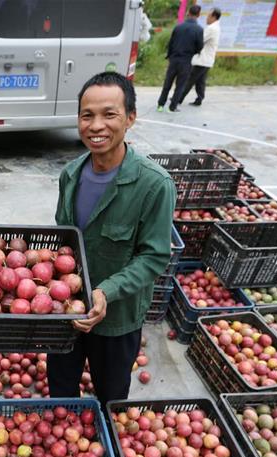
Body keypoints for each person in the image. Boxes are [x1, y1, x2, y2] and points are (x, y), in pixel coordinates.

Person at [49, 72, 175, 403]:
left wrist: (107, 291)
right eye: (87, 115)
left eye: (109, 114)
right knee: (61, 388)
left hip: (117, 319)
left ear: (130, 118)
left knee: (111, 396)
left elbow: (154, 256)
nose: (96, 125)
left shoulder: (154, 184)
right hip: (67, 310)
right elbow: (65, 238)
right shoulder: (71, 175)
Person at [157, 4, 203, 112]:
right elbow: (200, 47)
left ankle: (160, 105)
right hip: (186, 60)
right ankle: (172, 107)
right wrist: (193, 52)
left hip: (174, 59)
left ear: (188, 13)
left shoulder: (178, 27)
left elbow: (171, 43)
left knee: (167, 83)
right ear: (198, 15)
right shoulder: (199, 30)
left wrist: (169, 56)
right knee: (180, 85)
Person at [183, 7, 221, 106]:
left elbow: (200, 39)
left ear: (214, 17)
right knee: (200, 81)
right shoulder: (215, 27)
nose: (206, 18)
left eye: (208, 16)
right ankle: (199, 99)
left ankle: (178, 98)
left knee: (189, 79)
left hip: (202, 60)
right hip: (207, 60)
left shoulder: (212, 28)